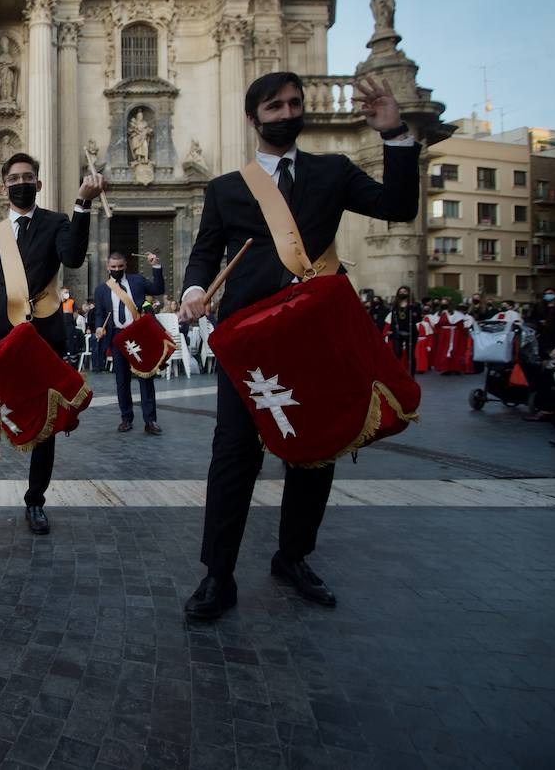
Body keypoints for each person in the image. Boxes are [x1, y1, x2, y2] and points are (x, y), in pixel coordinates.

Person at [177, 70, 419, 620]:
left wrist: (395, 135)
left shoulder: (333, 172)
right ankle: (218, 575)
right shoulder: (225, 190)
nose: (286, 113)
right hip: (251, 343)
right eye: (274, 106)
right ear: (252, 116)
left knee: (315, 450)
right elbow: (204, 254)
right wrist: (195, 290)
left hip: (311, 337)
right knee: (233, 455)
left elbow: (399, 206)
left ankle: (293, 556)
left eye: (293, 104)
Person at [0, 152, 103, 536]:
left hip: (41, 339)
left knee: (43, 424)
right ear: (3, 187)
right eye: (14, 178)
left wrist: (82, 202)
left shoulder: (56, 223)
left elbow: (74, 257)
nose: (21, 182)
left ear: (38, 184)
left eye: (28, 177)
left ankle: (35, 502)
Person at [93, 252, 166, 433]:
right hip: (117, 337)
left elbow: (158, 289)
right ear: (108, 267)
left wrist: (156, 265)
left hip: (137, 334)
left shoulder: (138, 281)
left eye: (120, 267)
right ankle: (126, 418)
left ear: (125, 266)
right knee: (122, 380)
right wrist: (98, 328)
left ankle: (150, 421)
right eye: (113, 267)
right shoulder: (102, 290)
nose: (117, 270)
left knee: (146, 377)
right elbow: (100, 314)